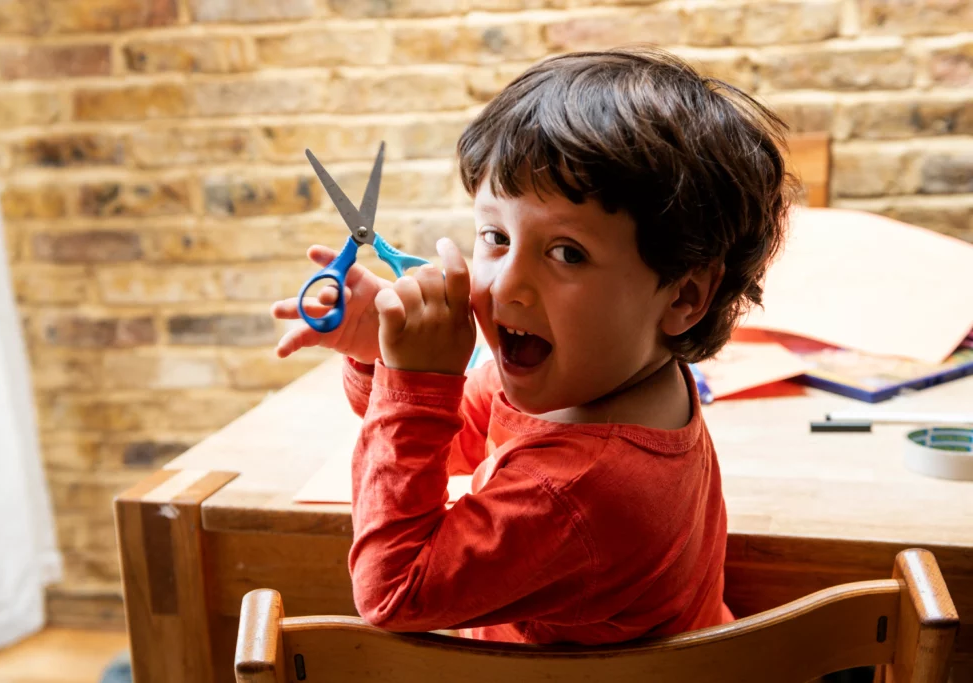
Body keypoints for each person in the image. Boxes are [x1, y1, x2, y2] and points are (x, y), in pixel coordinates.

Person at [271, 47, 794, 645]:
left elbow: (392, 592)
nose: (508, 287)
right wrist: (381, 356)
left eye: (566, 253)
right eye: (495, 236)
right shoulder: (609, 377)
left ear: (683, 297)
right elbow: (448, 443)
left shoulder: (575, 491)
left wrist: (413, 386)